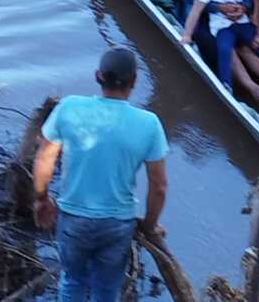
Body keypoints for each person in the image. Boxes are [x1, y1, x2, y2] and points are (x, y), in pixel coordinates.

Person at [32, 48, 169, 302]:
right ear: (134, 81)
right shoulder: (149, 123)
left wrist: (41, 198)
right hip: (117, 224)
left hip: (73, 218)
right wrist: (150, 224)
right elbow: (159, 186)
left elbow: (44, 158)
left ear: (98, 76)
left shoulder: (69, 107)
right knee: (106, 291)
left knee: (72, 281)